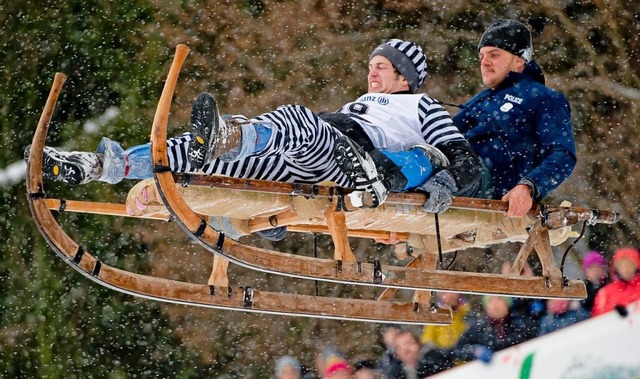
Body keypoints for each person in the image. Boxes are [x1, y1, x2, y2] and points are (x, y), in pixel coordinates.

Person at [33, 38, 482, 236]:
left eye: (382, 65)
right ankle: (104, 166)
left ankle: (234, 134)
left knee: (297, 119)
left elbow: (463, 158)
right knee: (197, 153)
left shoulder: (421, 106)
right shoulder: (357, 102)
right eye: (372, 64)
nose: (372, 70)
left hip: (351, 163)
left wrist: (443, 183)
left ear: (405, 77)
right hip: (303, 164)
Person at [452, 19, 577, 217]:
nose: (484, 62)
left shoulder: (543, 98)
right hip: (455, 173)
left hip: (489, 185)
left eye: (494, 55)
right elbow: (445, 136)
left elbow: (562, 154)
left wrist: (528, 186)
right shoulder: (481, 100)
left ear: (519, 60)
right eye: (482, 56)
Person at [449, 295, 534, 364]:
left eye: (500, 299)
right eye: (491, 300)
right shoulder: (478, 327)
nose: (495, 304)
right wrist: (474, 351)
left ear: (507, 303)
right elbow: (457, 350)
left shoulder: (521, 323)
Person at [592, 247, 640, 317]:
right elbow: (597, 318)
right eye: (621, 265)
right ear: (616, 268)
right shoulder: (605, 292)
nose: (626, 269)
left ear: (636, 265)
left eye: (629, 264)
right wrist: (613, 311)